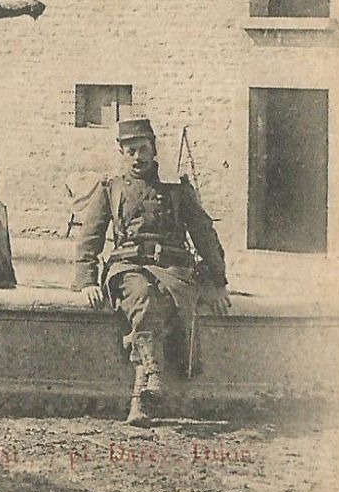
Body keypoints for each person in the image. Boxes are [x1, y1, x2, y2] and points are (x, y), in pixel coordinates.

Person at [74, 117, 231, 427]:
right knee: (144, 295)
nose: (137, 157)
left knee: (164, 299)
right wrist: (87, 281)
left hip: (172, 268)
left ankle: (140, 400)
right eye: (130, 150)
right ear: (120, 151)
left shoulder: (175, 189)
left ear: (154, 150)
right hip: (128, 267)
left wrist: (218, 281)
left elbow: (204, 235)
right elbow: (89, 239)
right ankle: (154, 374)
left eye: (142, 149)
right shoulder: (110, 189)